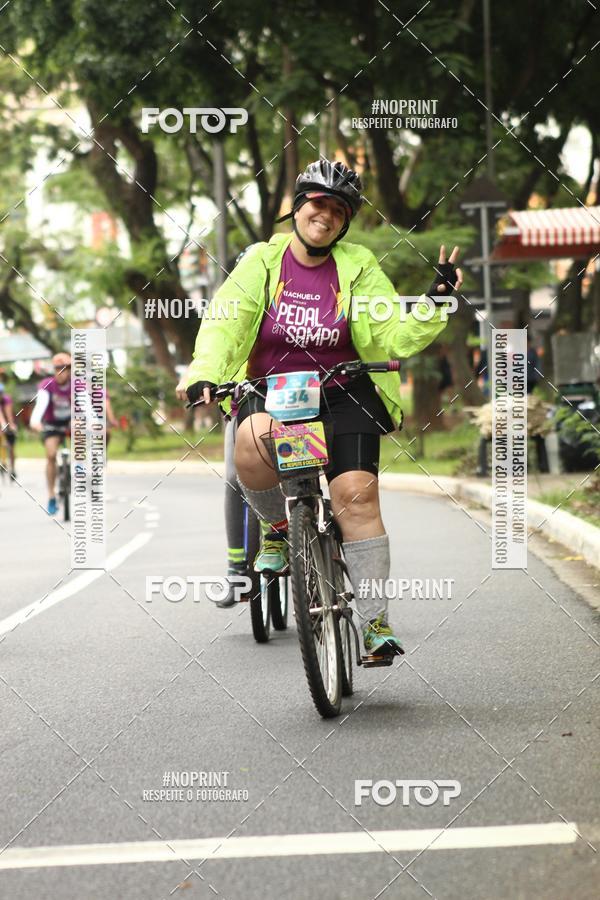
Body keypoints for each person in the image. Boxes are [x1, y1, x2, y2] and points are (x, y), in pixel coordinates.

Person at [183, 159, 462, 657]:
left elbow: (390, 333)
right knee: (251, 440)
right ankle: (279, 530)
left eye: (339, 210)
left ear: (345, 222)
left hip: (343, 392)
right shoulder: (262, 262)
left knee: (356, 497)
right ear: (297, 208)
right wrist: (203, 373)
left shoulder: (358, 265)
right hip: (274, 393)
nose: (326, 215)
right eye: (318, 203)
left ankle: (375, 624)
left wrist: (435, 300)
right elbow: (225, 323)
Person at [30, 352, 72, 514]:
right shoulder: (47, 384)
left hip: (72, 423)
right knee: (51, 455)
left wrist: (92, 421)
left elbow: (85, 407)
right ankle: (51, 495)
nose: (61, 372)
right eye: (57, 368)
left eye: (65, 368)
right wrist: (35, 421)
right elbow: (40, 404)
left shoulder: (78, 385)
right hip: (52, 425)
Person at [0, 381, 18, 479]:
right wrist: (3, 425)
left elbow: (9, 414)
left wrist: (11, 425)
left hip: (10, 423)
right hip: (1, 424)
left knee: (11, 448)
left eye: (1, 393)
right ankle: (2, 462)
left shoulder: (7, 399)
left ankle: (13, 469)